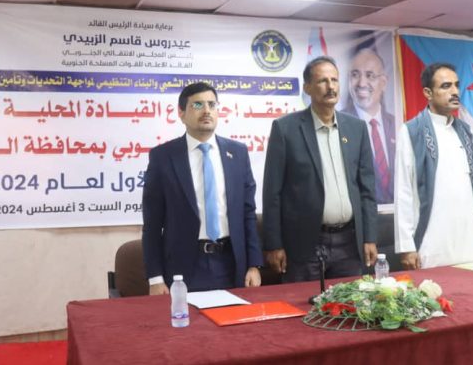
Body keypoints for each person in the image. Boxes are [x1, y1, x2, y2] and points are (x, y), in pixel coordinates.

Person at [263, 56, 378, 282]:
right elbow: (272, 193)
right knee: (303, 303)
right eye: (322, 81)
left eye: (334, 80)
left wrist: (370, 237)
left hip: (349, 243)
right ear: (307, 87)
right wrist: (274, 244)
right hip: (304, 245)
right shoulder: (285, 129)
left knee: (350, 302)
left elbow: (367, 189)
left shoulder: (356, 128)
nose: (330, 87)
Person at [142, 82, 263, 293]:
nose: (207, 110)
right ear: (181, 113)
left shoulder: (238, 153)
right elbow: (152, 224)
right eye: (197, 105)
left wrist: (254, 264)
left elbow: (247, 213)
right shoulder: (163, 157)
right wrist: (155, 278)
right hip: (184, 268)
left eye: (212, 104)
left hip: (233, 264)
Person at [394, 63, 473, 269]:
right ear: (428, 93)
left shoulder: (465, 131)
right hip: (432, 241)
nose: (455, 91)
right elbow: (403, 192)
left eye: (456, 85)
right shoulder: (411, 131)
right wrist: (406, 247)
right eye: (446, 86)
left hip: (470, 239)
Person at [341, 34, 396, 204]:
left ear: (383, 83)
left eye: (370, 75)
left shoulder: (398, 126)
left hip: (397, 216)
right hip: (359, 217)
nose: (362, 83)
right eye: (355, 75)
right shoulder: (337, 125)